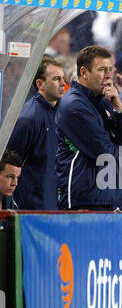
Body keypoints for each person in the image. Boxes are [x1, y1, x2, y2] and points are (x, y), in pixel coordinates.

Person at [55, 45, 122, 211]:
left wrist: (119, 109)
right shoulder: (74, 105)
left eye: (110, 69)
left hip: (107, 195)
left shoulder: (104, 100)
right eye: (102, 69)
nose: (108, 75)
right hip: (83, 200)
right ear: (84, 73)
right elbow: (106, 153)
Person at [7, 55, 66, 210]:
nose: (63, 83)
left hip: (53, 203)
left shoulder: (60, 112)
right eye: (56, 79)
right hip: (32, 208)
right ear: (40, 84)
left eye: (63, 78)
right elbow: (12, 163)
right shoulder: (28, 117)